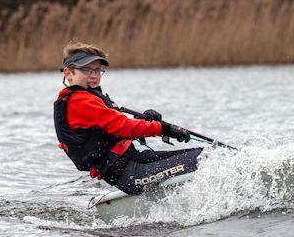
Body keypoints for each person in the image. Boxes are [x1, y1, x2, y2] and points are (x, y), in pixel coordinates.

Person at [53, 41, 203, 195]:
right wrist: (164, 128)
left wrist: (148, 121)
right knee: (204, 160)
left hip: (134, 162)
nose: (93, 76)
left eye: (97, 70)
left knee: (204, 155)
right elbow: (123, 126)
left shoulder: (85, 98)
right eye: (86, 70)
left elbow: (116, 125)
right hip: (132, 174)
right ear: (68, 73)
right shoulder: (80, 101)